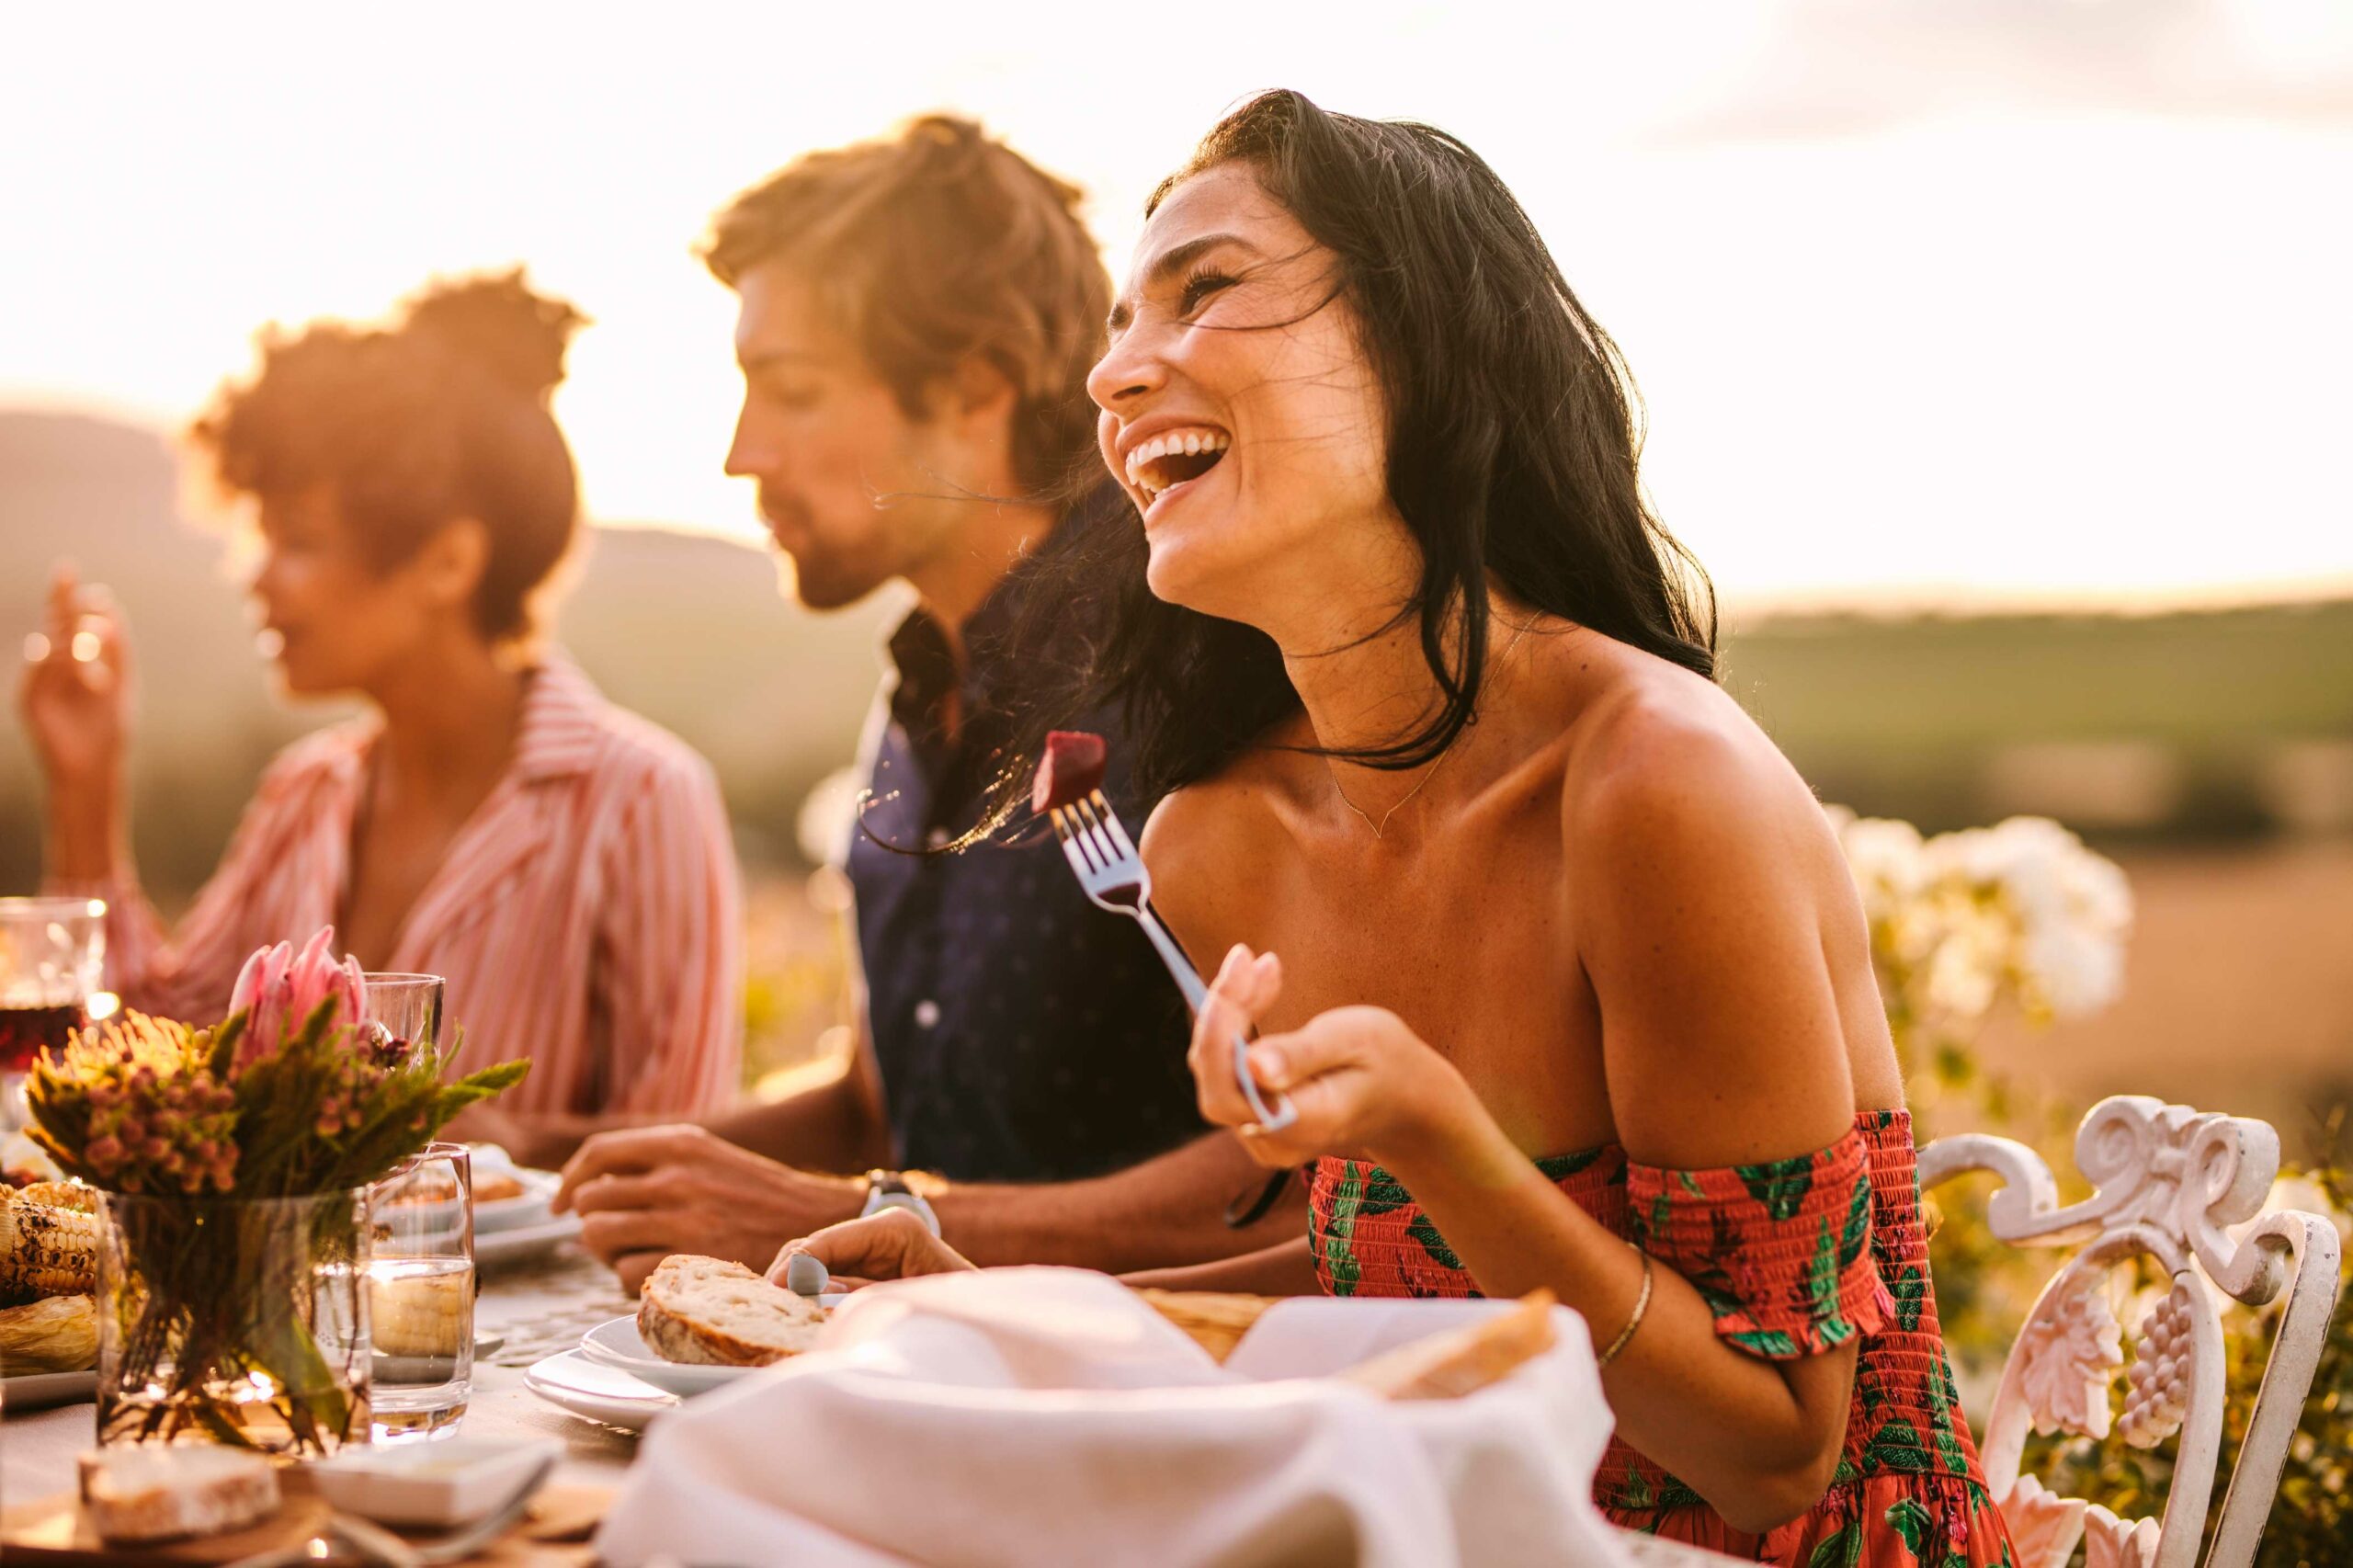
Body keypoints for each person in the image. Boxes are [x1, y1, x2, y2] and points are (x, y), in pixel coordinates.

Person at [784, 94, 2017, 1564]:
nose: (1115, 374)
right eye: (1119, 324)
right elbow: (1405, 1276)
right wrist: (979, 1278)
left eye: (1208, 287)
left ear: (1420, 342)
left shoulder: (1656, 790)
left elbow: (1773, 1450)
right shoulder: (1219, 841)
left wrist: (1435, 1131)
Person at [554, 117, 1303, 1293]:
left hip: (1154, 1410)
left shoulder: (1211, 667)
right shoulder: (914, 693)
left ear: (973, 389)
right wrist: (566, 1165)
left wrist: (865, 1211)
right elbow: (878, 1099)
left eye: (789, 390)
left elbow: (1309, 1166)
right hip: (918, 1385)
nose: (741, 452)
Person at [17, 272, 743, 1160]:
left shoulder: (641, 799)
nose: (254, 574)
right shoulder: (305, 792)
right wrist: (87, 784)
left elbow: (684, 1163)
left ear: (447, 562)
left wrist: (503, 1140)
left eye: (299, 540)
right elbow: (149, 1069)